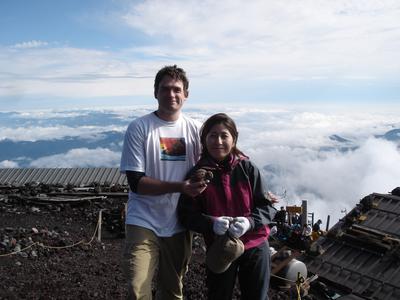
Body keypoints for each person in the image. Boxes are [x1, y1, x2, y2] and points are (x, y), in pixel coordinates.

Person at [120, 65, 207, 300]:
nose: (171, 94)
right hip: (143, 218)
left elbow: (214, 164)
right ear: (155, 92)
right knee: (138, 288)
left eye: (177, 89)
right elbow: (136, 182)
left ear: (186, 94)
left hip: (179, 221)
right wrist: (179, 187)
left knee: (172, 289)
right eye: (165, 89)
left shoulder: (196, 131)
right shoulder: (140, 128)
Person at [178, 113, 277, 300]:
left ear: (234, 139)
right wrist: (211, 223)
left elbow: (267, 207)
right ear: (204, 139)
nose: (219, 141)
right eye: (212, 135)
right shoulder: (197, 175)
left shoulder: (247, 169)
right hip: (220, 247)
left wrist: (249, 222)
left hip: (255, 244)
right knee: (219, 295)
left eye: (224, 135)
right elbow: (186, 214)